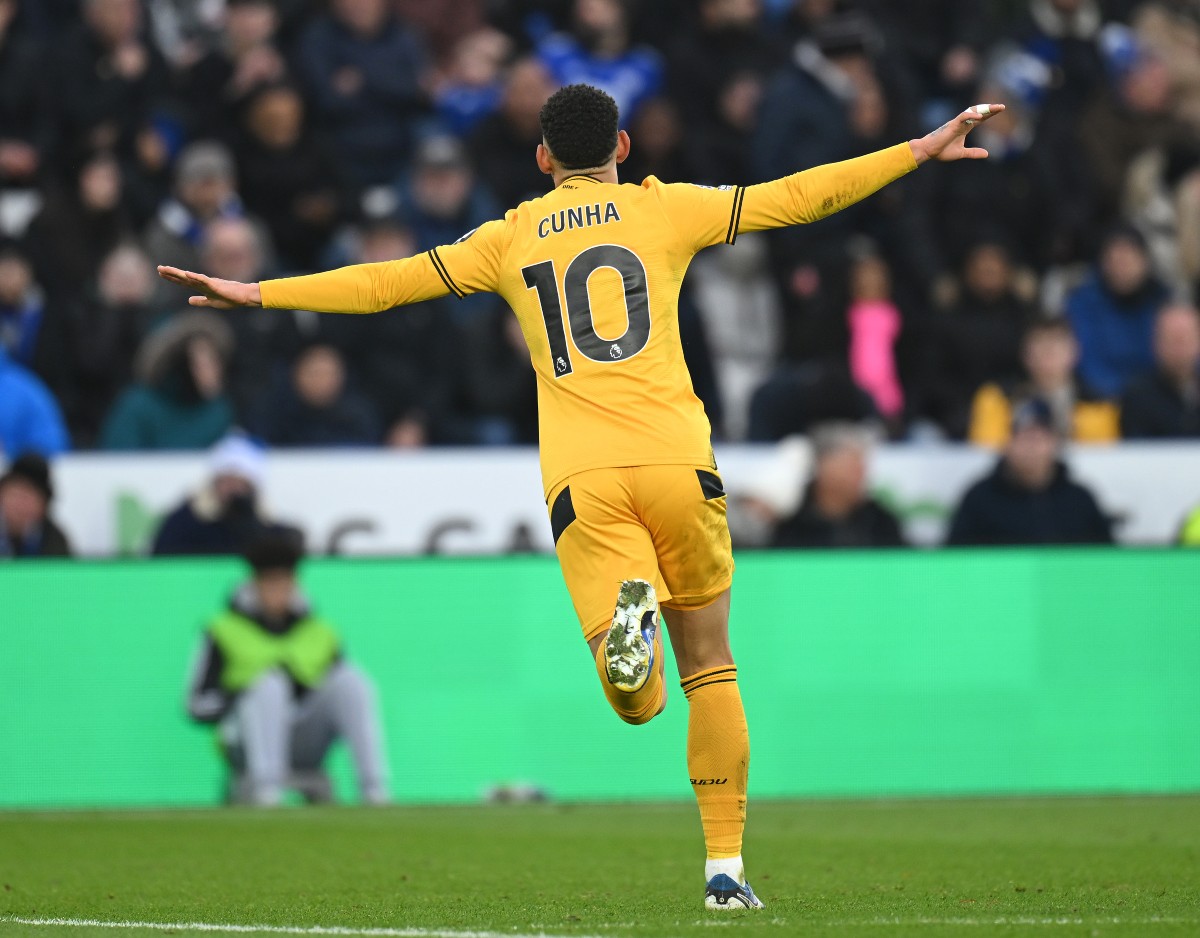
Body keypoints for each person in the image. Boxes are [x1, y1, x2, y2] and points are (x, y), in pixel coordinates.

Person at [158, 83, 1007, 910]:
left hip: (585, 481)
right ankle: (723, 868)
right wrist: (919, 149)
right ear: (623, 150)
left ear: (541, 158)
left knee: (634, 701)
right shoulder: (664, 208)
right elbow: (796, 198)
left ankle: (626, 643)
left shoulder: (510, 237)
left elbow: (386, 282)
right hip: (680, 463)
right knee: (710, 665)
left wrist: (259, 291)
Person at [187, 534, 389, 805]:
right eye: (269, 582)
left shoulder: (320, 632)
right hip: (244, 744)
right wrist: (239, 697)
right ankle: (268, 792)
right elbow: (196, 705)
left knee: (351, 680)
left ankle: (374, 791)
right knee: (269, 684)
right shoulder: (222, 629)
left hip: (305, 741)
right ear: (253, 583)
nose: (277, 590)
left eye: (284, 582)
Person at [947, 398, 1114, 546]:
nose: (1031, 448)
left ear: (1055, 443)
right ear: (1007, 443)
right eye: (1023, 438)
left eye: (1039, 439)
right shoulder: (980, 498)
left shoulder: (1079, 500)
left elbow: (1108, 562)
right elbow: (955, 562)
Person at [969, 317, 1119, 447]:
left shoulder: (1098, 404)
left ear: (1075, 352)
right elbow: (985, 453)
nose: (1048, 352)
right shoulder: (997, 398)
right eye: (1039, 343)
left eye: (1057, 343)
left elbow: (1100, 460)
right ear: (1025, 354)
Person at [152, 433, 297, 556]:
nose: (233, 489)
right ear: (214, 483)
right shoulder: (183, 524)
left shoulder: (269, 531)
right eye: (227, 481)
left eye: (240, 483)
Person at [769, 423, 905, 549]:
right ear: (824, 467)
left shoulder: (880, 522)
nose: (861, 477)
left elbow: (902, 566)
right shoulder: (791, 523)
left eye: (862, 469)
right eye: (852, 468)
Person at [1119, 303, 1200, 439]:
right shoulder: (1138, 395)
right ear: (1156, 342)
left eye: (1184, 339)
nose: (1179, 349)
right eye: (1171, 339)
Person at [0, 452, 71, 557]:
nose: (19, 506)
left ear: (43, 506)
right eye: (14, 495)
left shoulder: (54, 540)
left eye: (27, 498)